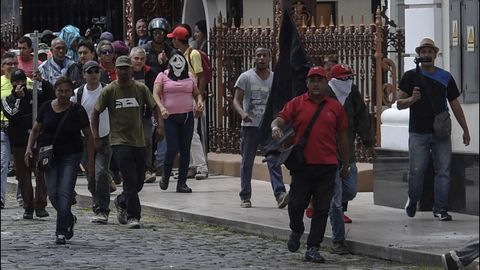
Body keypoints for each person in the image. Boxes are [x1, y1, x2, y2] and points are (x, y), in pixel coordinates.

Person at [271, 66, 349, 263]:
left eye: (320, 80)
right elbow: (280, 119)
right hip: (303, 166)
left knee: (322, 209)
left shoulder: (335, 107)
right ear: (307, 83)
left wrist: (346, 165)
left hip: (328, 166)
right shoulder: (297, 103)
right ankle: (296, 229)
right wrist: (275, 128)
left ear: (325, 83)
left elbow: (343, 138)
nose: (316, 84)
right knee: (296, 206)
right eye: (312, 80)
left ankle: (313, 247)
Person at [397, 38, 470, 221]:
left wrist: (465, 129)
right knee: (416, 171)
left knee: (443, 172)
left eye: (430, 52)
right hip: (418, 132)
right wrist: (412, 100)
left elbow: (455, 104)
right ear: (419, 55)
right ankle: (413, 200)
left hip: (441, 132)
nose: (427, 55)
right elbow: (398, 104)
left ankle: (441, 209)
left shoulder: (445, 76)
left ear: (435, 55)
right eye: (423, 52)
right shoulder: (410, 76)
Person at [92, 56, 164, 228]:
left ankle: (121, 201)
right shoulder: (109, 90)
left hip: (139, 141)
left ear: (132, 70)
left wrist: (160, 126)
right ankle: (134, 215)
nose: (123, 72)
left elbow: (154, 107)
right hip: (118, 141)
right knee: (130, 179)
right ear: (115, 71)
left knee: (138, 181)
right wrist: (96, 137)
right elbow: (95, 113)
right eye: (120, 68)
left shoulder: (140, 89)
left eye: (127, 68)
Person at [25, 76, 94, 245]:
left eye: (67, 91)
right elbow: (35, 130)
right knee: (54, 194)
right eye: (60, 91)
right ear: (55, 91)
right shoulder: (46, 108)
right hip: (49, 157)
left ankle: (61, 231)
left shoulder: (77, 110)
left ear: (71, 92)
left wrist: (90, 160)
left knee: (64, 192)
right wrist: (29, 148)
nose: (63, 94)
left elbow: (89, 136)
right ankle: (69, 218)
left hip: (71, 156)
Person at [326, 63, 374, 254]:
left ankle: (323, 199)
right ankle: (339, 240)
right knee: (336, 201)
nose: (346, 81)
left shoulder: (353, 92)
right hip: (328, 154)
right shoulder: (326, 94)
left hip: (348, 153)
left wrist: (368, 142)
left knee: (351, 191)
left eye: (349, 77)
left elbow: (362, 117)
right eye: (343, 78)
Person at [232, 47, 288, 209]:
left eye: (264, 55)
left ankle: (280, 194)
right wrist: (242, 113)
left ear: (269, 58)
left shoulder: (274, 78)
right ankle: (245, 196)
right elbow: (236, 99)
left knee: (273, 160)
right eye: (258, 55)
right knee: (247, 162)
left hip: (269, 127)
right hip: (250, 126)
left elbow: (280, 101)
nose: (261, 58)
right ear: (254, 58)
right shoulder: (246, 77)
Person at [2, 69, 54, 219]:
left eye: (22, 81)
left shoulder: (34, 95)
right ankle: (28, 206)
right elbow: (13, 115)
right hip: (20, 144)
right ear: (12, 84)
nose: (20, 84)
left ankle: (40, 205)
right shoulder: (7, 100)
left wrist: (42, 81)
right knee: (23, 177)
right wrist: (19, 98)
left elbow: (49, 97)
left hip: (38, 140)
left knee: (40, 173)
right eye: (17, 82)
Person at [153, 51, 204, 193]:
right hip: (170, 117)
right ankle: (166, 174)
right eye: (174, 60)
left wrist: (199, 102)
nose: (178, 63)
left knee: (185, 149)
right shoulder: (163, 76)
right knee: (172, 147)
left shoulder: (189, 76)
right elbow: (155, 94)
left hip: (187, 116)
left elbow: (196, 93)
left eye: (180, 60)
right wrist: (161, 107)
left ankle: (182, 182)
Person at [71, 60, 111, 224]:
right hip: (84, 140)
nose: (93, 74)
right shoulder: (78, 94)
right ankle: (96, 201)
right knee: (91, 174)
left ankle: (103, 209)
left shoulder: (108, 91)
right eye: (90, 71)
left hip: (105, 137)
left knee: (101, 173)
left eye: (96, 71)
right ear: (84, 75)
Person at [168, 25, 209, 180]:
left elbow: (201, 76)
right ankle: (191, 166)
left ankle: (201, 166)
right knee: (186, 134)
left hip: (193, 97)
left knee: (192, 134)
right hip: (185, 97)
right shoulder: (181, 55)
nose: (172, 41)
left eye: (174, 39)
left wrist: (199, 99)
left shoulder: (194, 54)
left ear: (178, 40)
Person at [129, 46, 158, 183]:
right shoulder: (125, 73)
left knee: (147, 140)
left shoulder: (150, 73)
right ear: (130, 59)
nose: (138, 61)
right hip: (128, 115)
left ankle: (146, 169)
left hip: (145, 114)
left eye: (141, 59)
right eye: (136, 58)